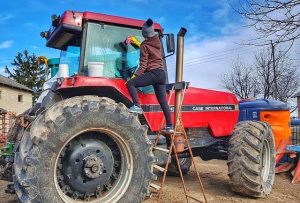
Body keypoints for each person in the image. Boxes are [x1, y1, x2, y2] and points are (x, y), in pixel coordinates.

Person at [126, 18, 173, 133]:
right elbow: (147, 44)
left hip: (153, 73)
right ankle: (170, 126)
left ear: (144, 34)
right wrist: (137, 42)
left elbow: (143, 66)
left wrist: (134, 76)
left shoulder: (144, 46)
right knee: (163, 102)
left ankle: (136, 106)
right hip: (162, 74)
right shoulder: (157, 42)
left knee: (130, 84)